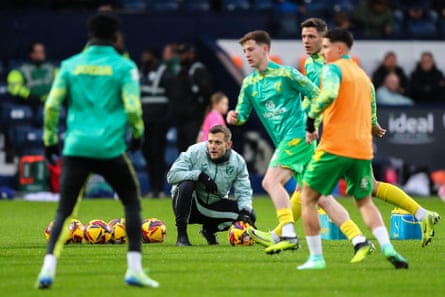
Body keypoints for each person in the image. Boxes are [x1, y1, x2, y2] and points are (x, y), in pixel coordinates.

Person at [249, 18, 440, 252]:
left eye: (312, 37)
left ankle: (297, 238)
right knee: (316, 188)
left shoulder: (331, 65)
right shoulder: (312, 64)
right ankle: (421, 215)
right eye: (303, 37)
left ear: (324, 38)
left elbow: (361, 88)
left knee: (324, 189)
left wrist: (366, 120)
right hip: (330, 131)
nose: (306, 41)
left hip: (335, 133)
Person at [35, 12, 159, 289]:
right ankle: (134, 269)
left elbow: (52, 105)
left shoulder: (69, 65)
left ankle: (47, 270)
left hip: (76, 146)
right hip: (110, 149)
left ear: (89, 36)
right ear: (116, 38)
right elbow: (132, 107)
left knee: (65, 210)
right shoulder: (124, 67)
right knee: (131, 202)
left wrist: (49, 139)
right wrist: (138, 134)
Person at [298, 28, 408, 270]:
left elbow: (328, 95)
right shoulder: (362, 75)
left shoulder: (332, 69)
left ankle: (316, 258)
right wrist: (373, 125)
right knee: (365, 202)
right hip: (362, 150)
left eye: (326, 47)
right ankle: (387, 246)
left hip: (335, 147)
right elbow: (371, 105)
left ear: (339, 48)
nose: (323, 52)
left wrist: (310, 120)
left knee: (308, 198)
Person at [226, 30, 321, 255]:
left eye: (251, 49)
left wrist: (311, 123)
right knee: (313, 194)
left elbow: (317, 94)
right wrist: (234, 117)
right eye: (244, 51)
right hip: (287, 141)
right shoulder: (249, 83)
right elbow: (242, 114)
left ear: (265, 49)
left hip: (297, 135)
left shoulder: (287, 74)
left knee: (270, 181)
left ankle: (288, 234)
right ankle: (359, 239)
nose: (247, 55)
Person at [167, 125, 256, 246]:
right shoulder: (194, 151)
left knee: (249, 215)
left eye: (218, 143)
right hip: (190, 204)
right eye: (210, 142)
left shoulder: (238, 162)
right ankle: (182, 236)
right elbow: (171, 176)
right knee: (186, 184)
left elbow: (244, 192)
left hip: (214, 206)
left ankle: (209, 230)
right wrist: (199, 175)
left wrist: (245, 211)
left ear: (228, 145)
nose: (213, 146)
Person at [139, 47, 175, 198]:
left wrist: (167, 119)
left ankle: (158, 189)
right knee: (147, 153)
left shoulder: (164, 73)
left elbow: (173, 98)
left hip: (159, 122)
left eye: (147, 54)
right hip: (145, 121)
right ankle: (153, 188)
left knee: (157, 154)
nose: (144, 58)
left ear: (154, 57)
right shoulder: (142, 73)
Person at [170, 43, 213, 153]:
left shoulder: (197, 70)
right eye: (179, 54)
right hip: (181, 120)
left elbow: (207, 94)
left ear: (191, 54)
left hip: (194, 120)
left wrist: (199, 112)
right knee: (183, 154)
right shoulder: (180, 71)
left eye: (183, 54)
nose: (181, 57)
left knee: (195, 152)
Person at [7, 41, 57, 113]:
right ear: (32, 54)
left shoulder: (53, 69)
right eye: (39, 52)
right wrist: (28, 95)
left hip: (50, 101)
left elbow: (63, 84)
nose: (42, 54)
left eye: (43, 51)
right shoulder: (20, 71)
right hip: (31, 102)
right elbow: (14, 87)